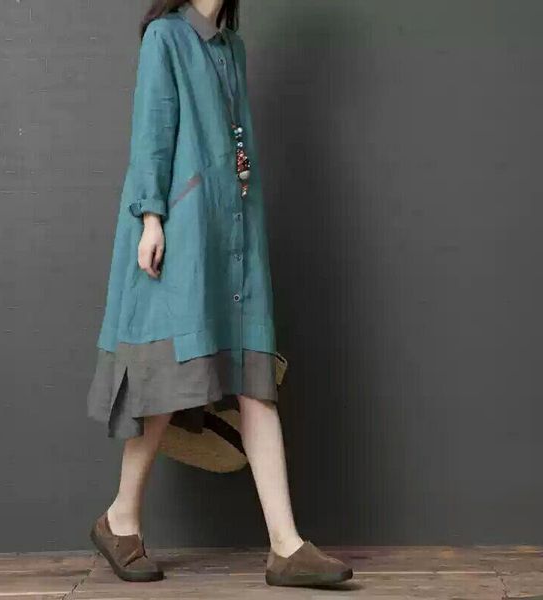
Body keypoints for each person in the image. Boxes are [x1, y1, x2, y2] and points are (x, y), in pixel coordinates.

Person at [86, 0, 353, 588]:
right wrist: (150, 218)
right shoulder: (165, 38)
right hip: (184, 235)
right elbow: (152, 132)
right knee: (165, 380)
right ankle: (121, 518)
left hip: (236, 237)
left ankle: (286, 546)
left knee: (254, 379)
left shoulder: (233, 48)